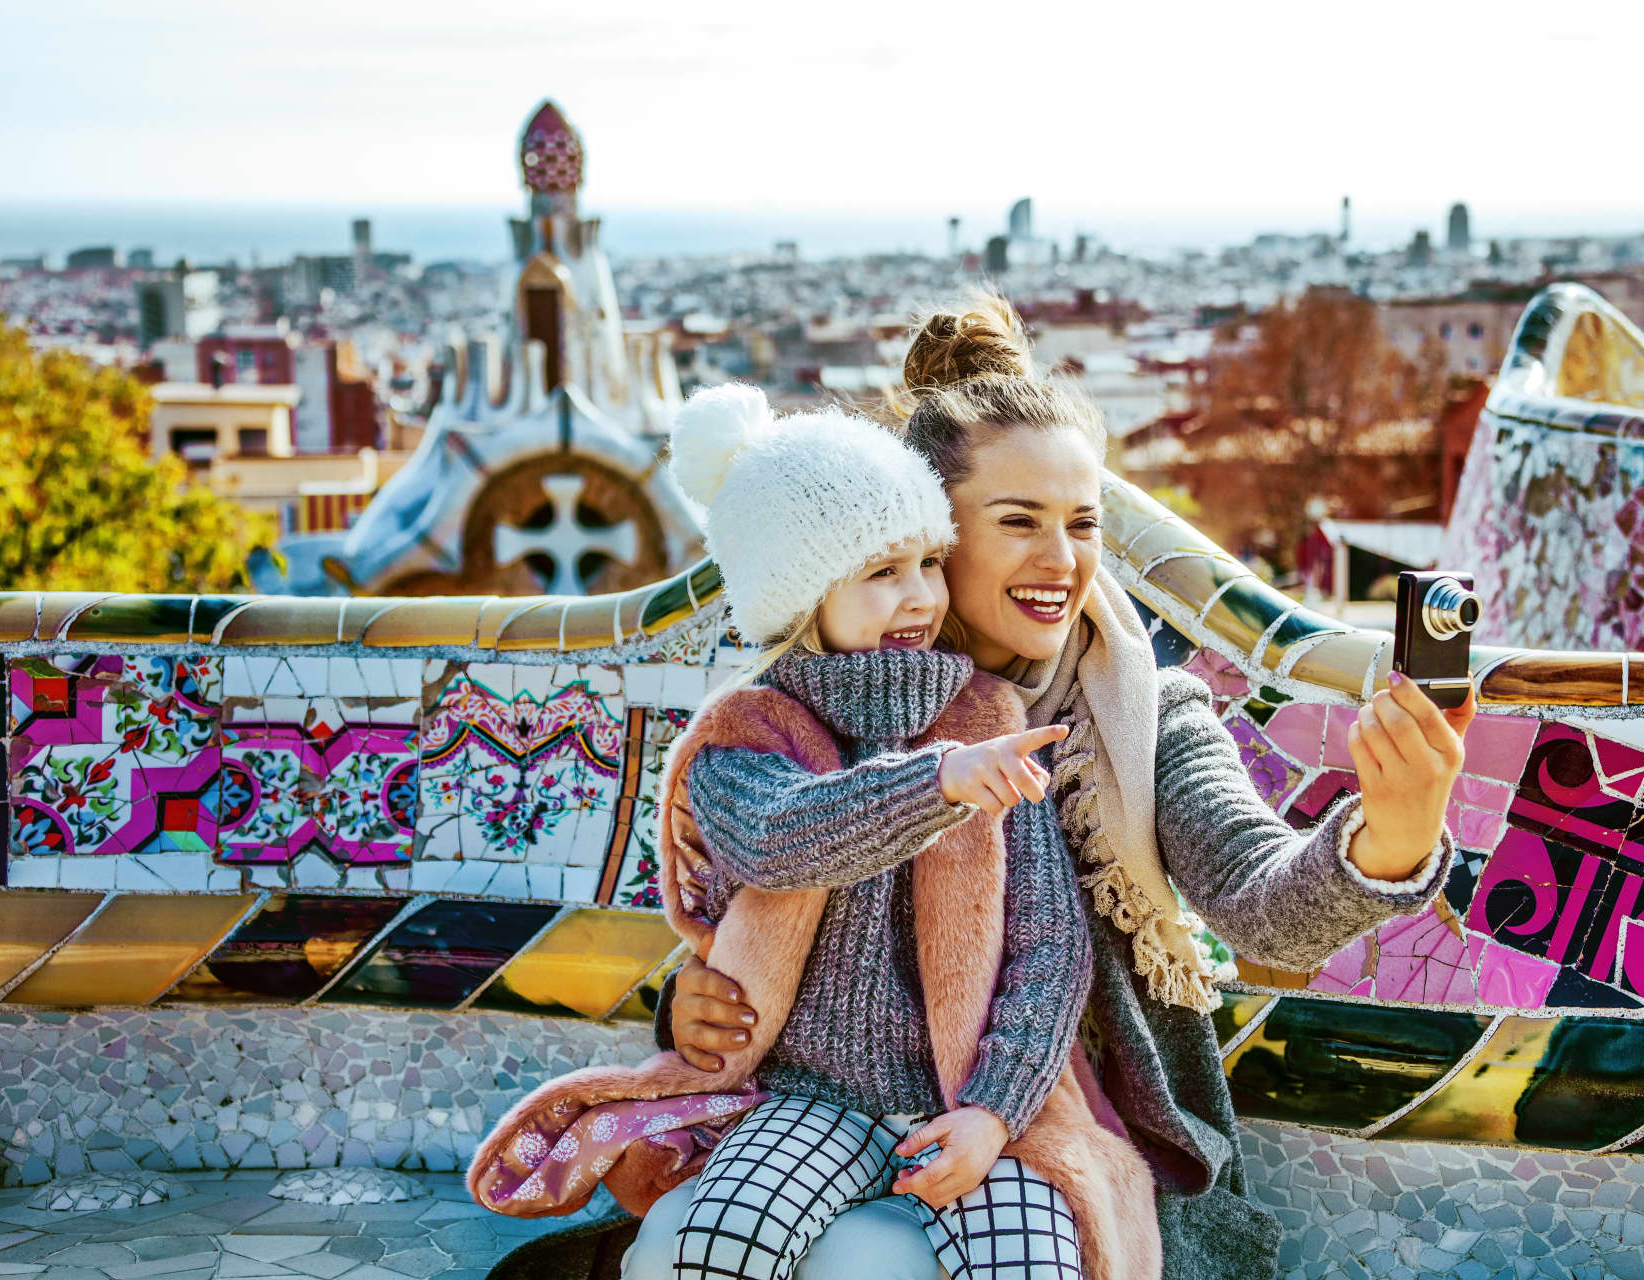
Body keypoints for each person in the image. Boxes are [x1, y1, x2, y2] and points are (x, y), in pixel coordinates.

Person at [645, 296, 1475, 1280]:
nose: (1062, 560)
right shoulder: (833, 687)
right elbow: (767, 868)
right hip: (831, 1109)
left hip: (1066, 1126)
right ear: (933, 534)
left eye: (1081, 523)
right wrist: (695, 1005)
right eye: (1018, 522)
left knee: (871, 1262)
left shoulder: (1143, 710)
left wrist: (1393, 833)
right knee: (702, 1242)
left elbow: (1264, 903)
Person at [617, 384, 1156, 1280]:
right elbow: (782, 837)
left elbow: (1050, 948)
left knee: (1034, 1262)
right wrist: (935, 784)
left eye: (929, 563)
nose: (919, 598)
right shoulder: (750, 732)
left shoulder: (986, 714)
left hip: (973, 1104)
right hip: (810, 1098)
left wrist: (993, 1110)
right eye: (879, 572)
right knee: (714, 1248)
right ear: (802, 595)